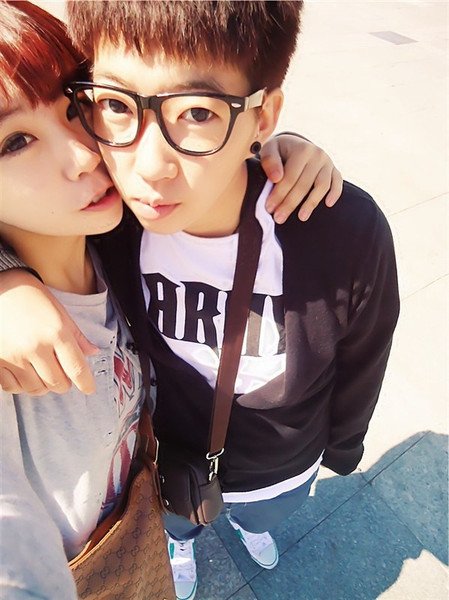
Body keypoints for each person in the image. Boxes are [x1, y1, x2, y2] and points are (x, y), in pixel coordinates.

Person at [0, 2, 398, 600]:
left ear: (263, 115)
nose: (149, 168)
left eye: (197, 113)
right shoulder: (114, 223)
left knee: (262, 517)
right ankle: (180, 545)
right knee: (179, 523)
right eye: (115, 105)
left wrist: (343, 449)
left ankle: (249, 527)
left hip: (281, 468)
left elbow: (367, 351)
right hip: (172, 465)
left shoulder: (335, 229)